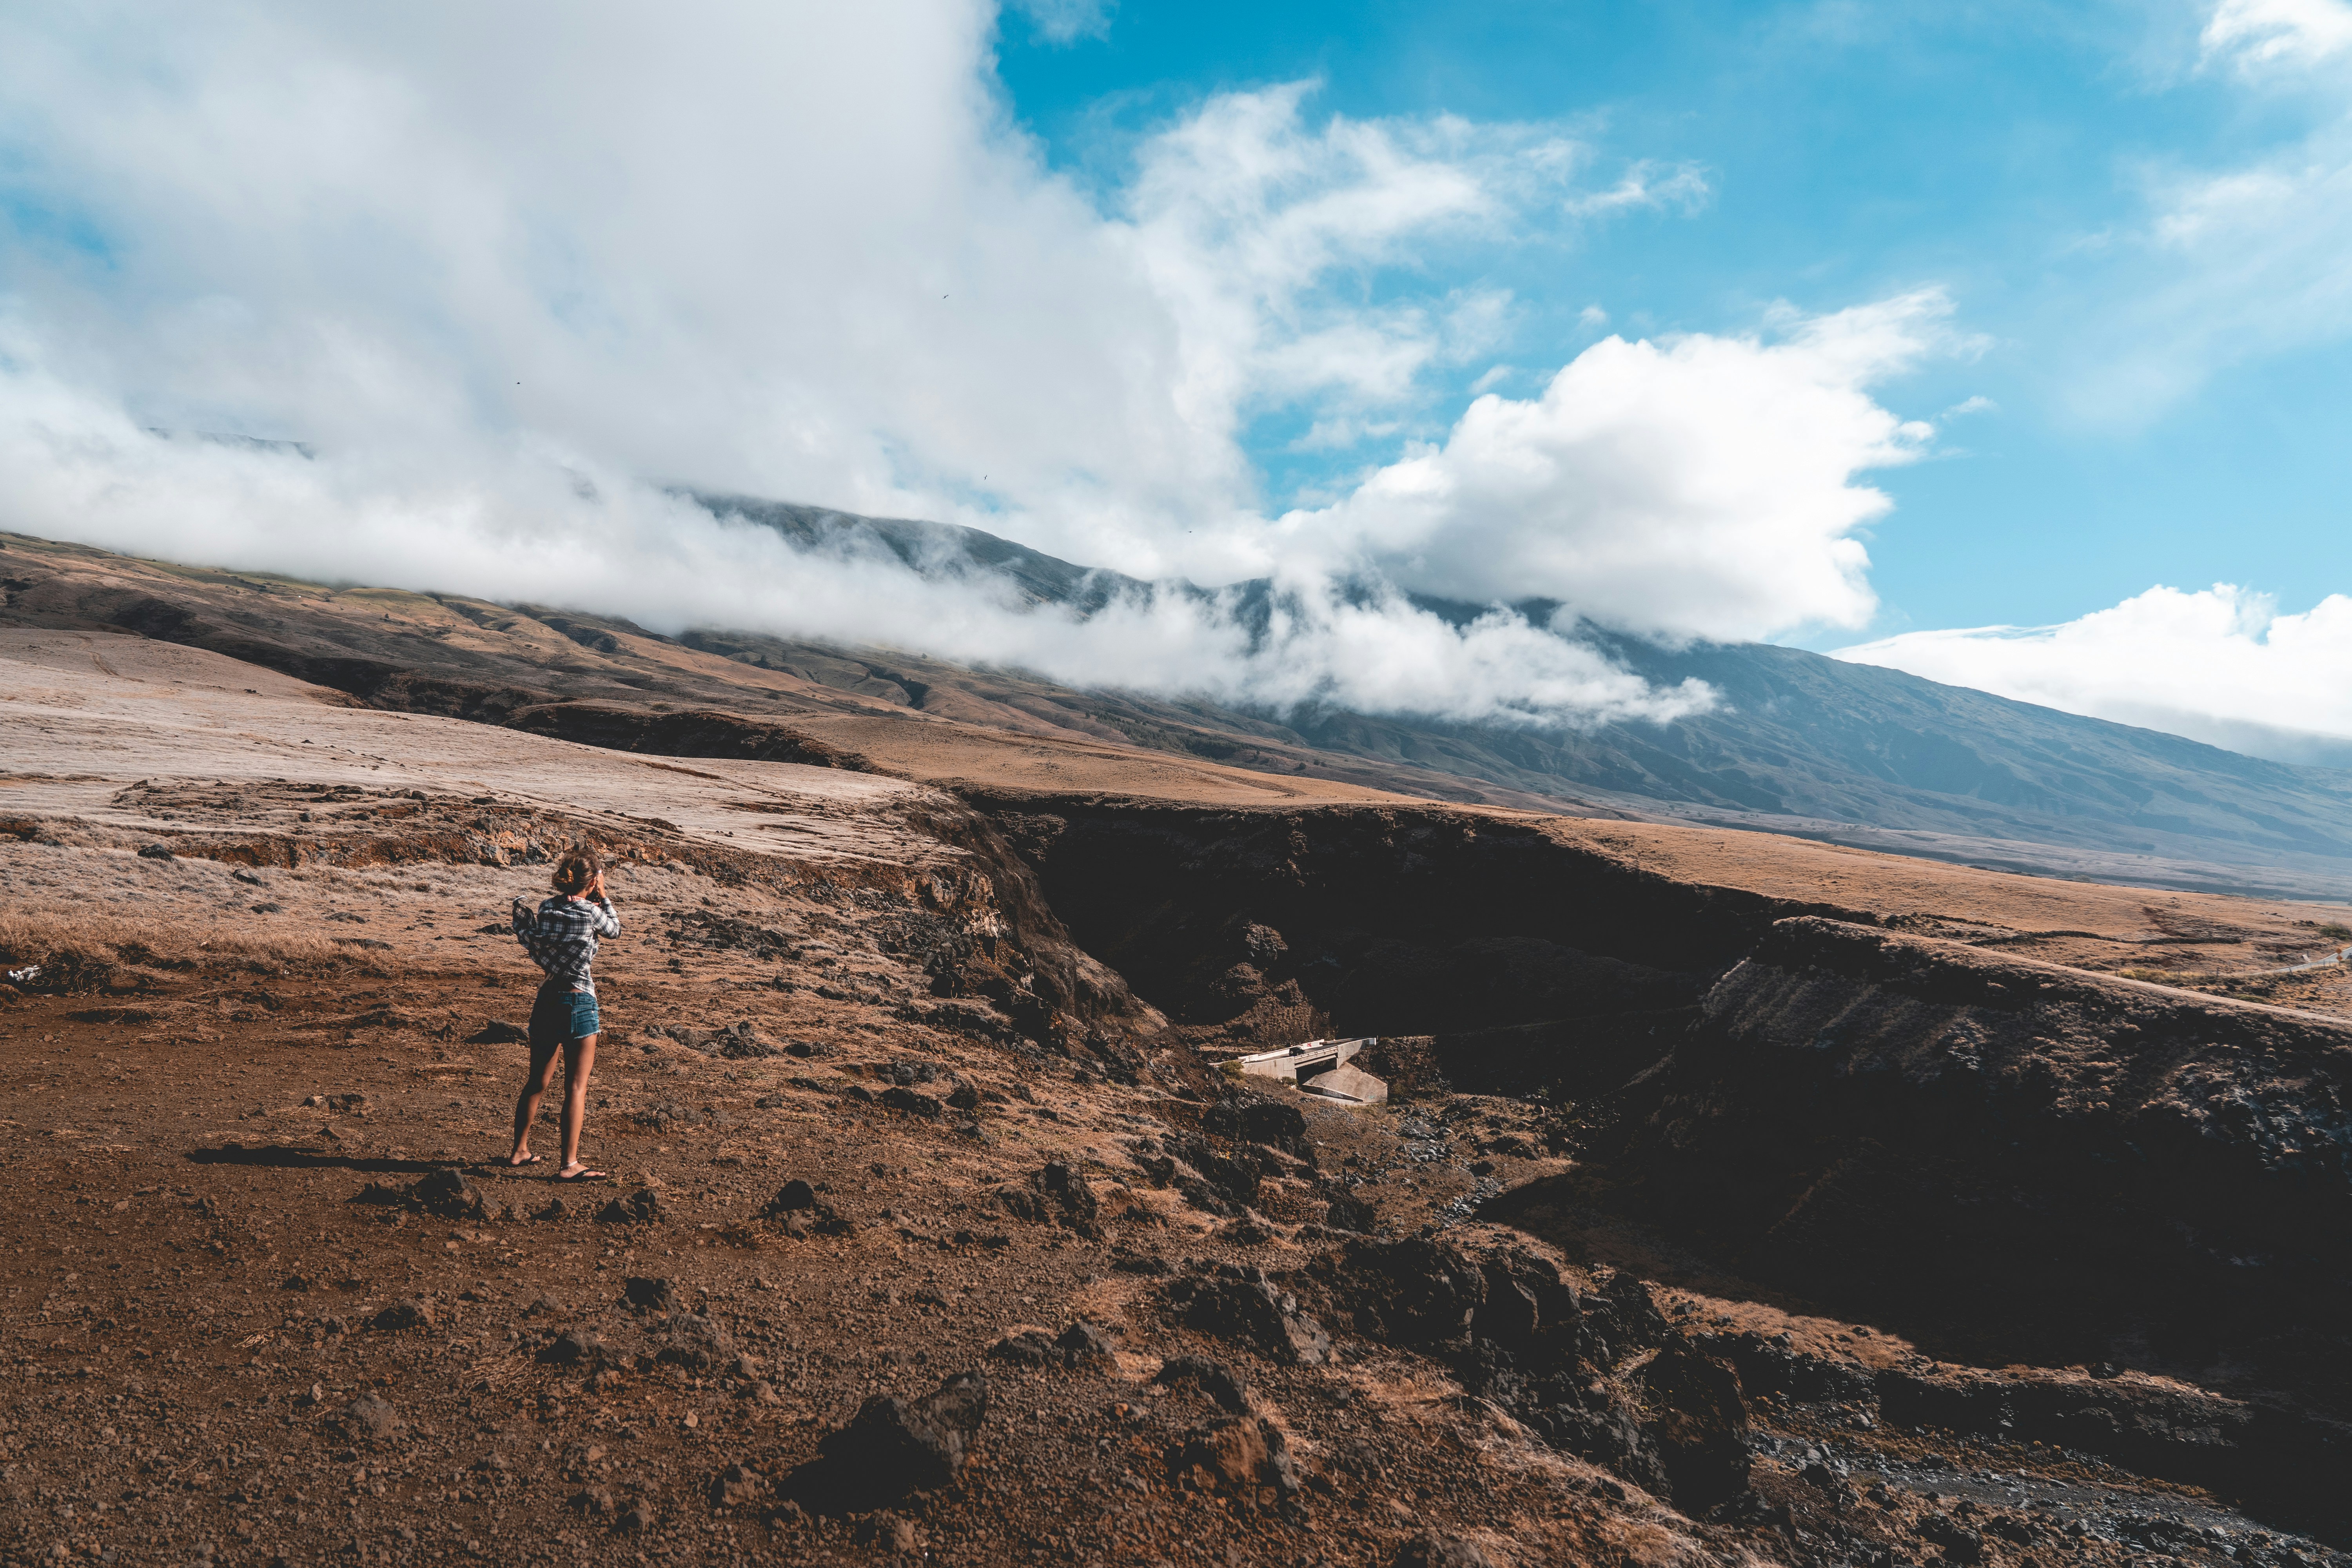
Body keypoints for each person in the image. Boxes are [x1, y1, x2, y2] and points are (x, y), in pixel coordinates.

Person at [508, 849, 620, 1181]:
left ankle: (519, 1151)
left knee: (536, 1082)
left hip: (547, 999)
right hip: (579, 1001)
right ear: (593, 880)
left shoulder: (547, 907)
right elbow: (615, 930)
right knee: (576, 1087)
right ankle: (569, 1164)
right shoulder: (590, 913)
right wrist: (605, 896)